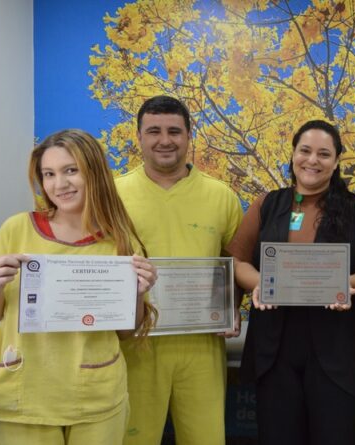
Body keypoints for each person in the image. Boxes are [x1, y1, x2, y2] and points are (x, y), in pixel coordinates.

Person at [0, 129, 156, 444]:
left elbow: (126, 332)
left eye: (71, 170)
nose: (60, 184)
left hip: (95, 398)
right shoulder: (16, 229)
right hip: (23, 398)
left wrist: (137, 294)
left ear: (94, 173)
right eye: (49, 174)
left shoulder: (120, 240)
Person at [227, 119, 355, 445]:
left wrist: (342, 284)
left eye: (324, 154)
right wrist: (260, 283)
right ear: (293, 153)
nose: (312, 160)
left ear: (336, 161)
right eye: (305, 151)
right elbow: (238, 262)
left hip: (338, 347)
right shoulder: (267, 204)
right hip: (276, 346)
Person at [116, 96, 243, 445]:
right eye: (153, 131)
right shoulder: (112, 194)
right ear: (139, 137)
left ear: (189, 136)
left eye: (175, 131)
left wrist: (233, 305)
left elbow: (236, 263)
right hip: (135, 345)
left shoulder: (222, 197)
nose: (165, 140)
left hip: (201, 346)